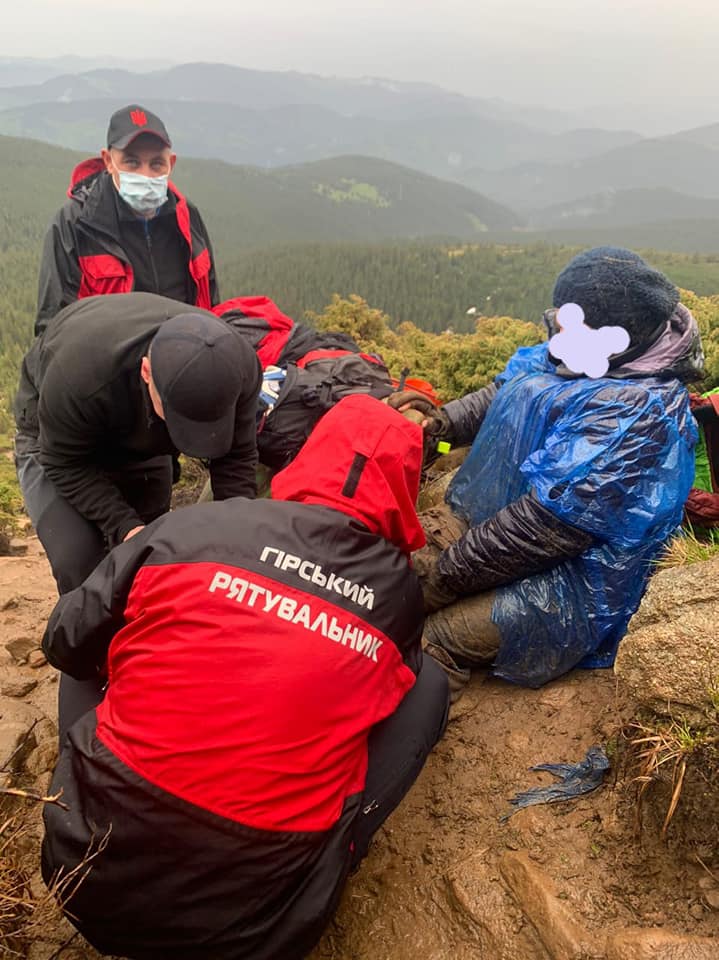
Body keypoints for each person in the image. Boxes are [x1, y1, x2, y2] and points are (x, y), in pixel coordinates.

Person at [40, 394, 450, 960]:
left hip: (83, 872)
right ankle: (337, 850)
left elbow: (62, 639)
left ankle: (89, 788)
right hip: (259, 929)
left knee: (95, 633)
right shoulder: (398, 594)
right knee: (424, 687)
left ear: (310, 454)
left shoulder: (194, 525)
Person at [391, 247, 703, 694]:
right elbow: (507, 391)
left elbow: (548, 527)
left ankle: (422, 725)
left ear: (617, 333)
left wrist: (445, 576)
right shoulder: (590, 348)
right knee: (389, 582)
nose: (560, 327)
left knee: (431, 637)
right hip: (497, 528)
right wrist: (438, 425)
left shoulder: (637, 415)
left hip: (576, 581)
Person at [14, 292, 262, 597]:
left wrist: (239, 538)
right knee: (80, 560)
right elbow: (64, 463)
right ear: (147, 372)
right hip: (58, 436)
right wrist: (123, 524)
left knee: (151, 555)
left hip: (140, 424)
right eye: (179, 418)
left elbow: (236, 460)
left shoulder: (239, 367)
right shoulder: (79, 377)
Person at [36, 103, 219, 334]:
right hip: (108, 367)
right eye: (132, 162)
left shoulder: (187, 218)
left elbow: (211, 304)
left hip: (184, 363)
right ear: (109, 161)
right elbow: (53, 331)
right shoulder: (75, 224)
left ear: (171, 164)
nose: (145, 174)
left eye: (156, 164)